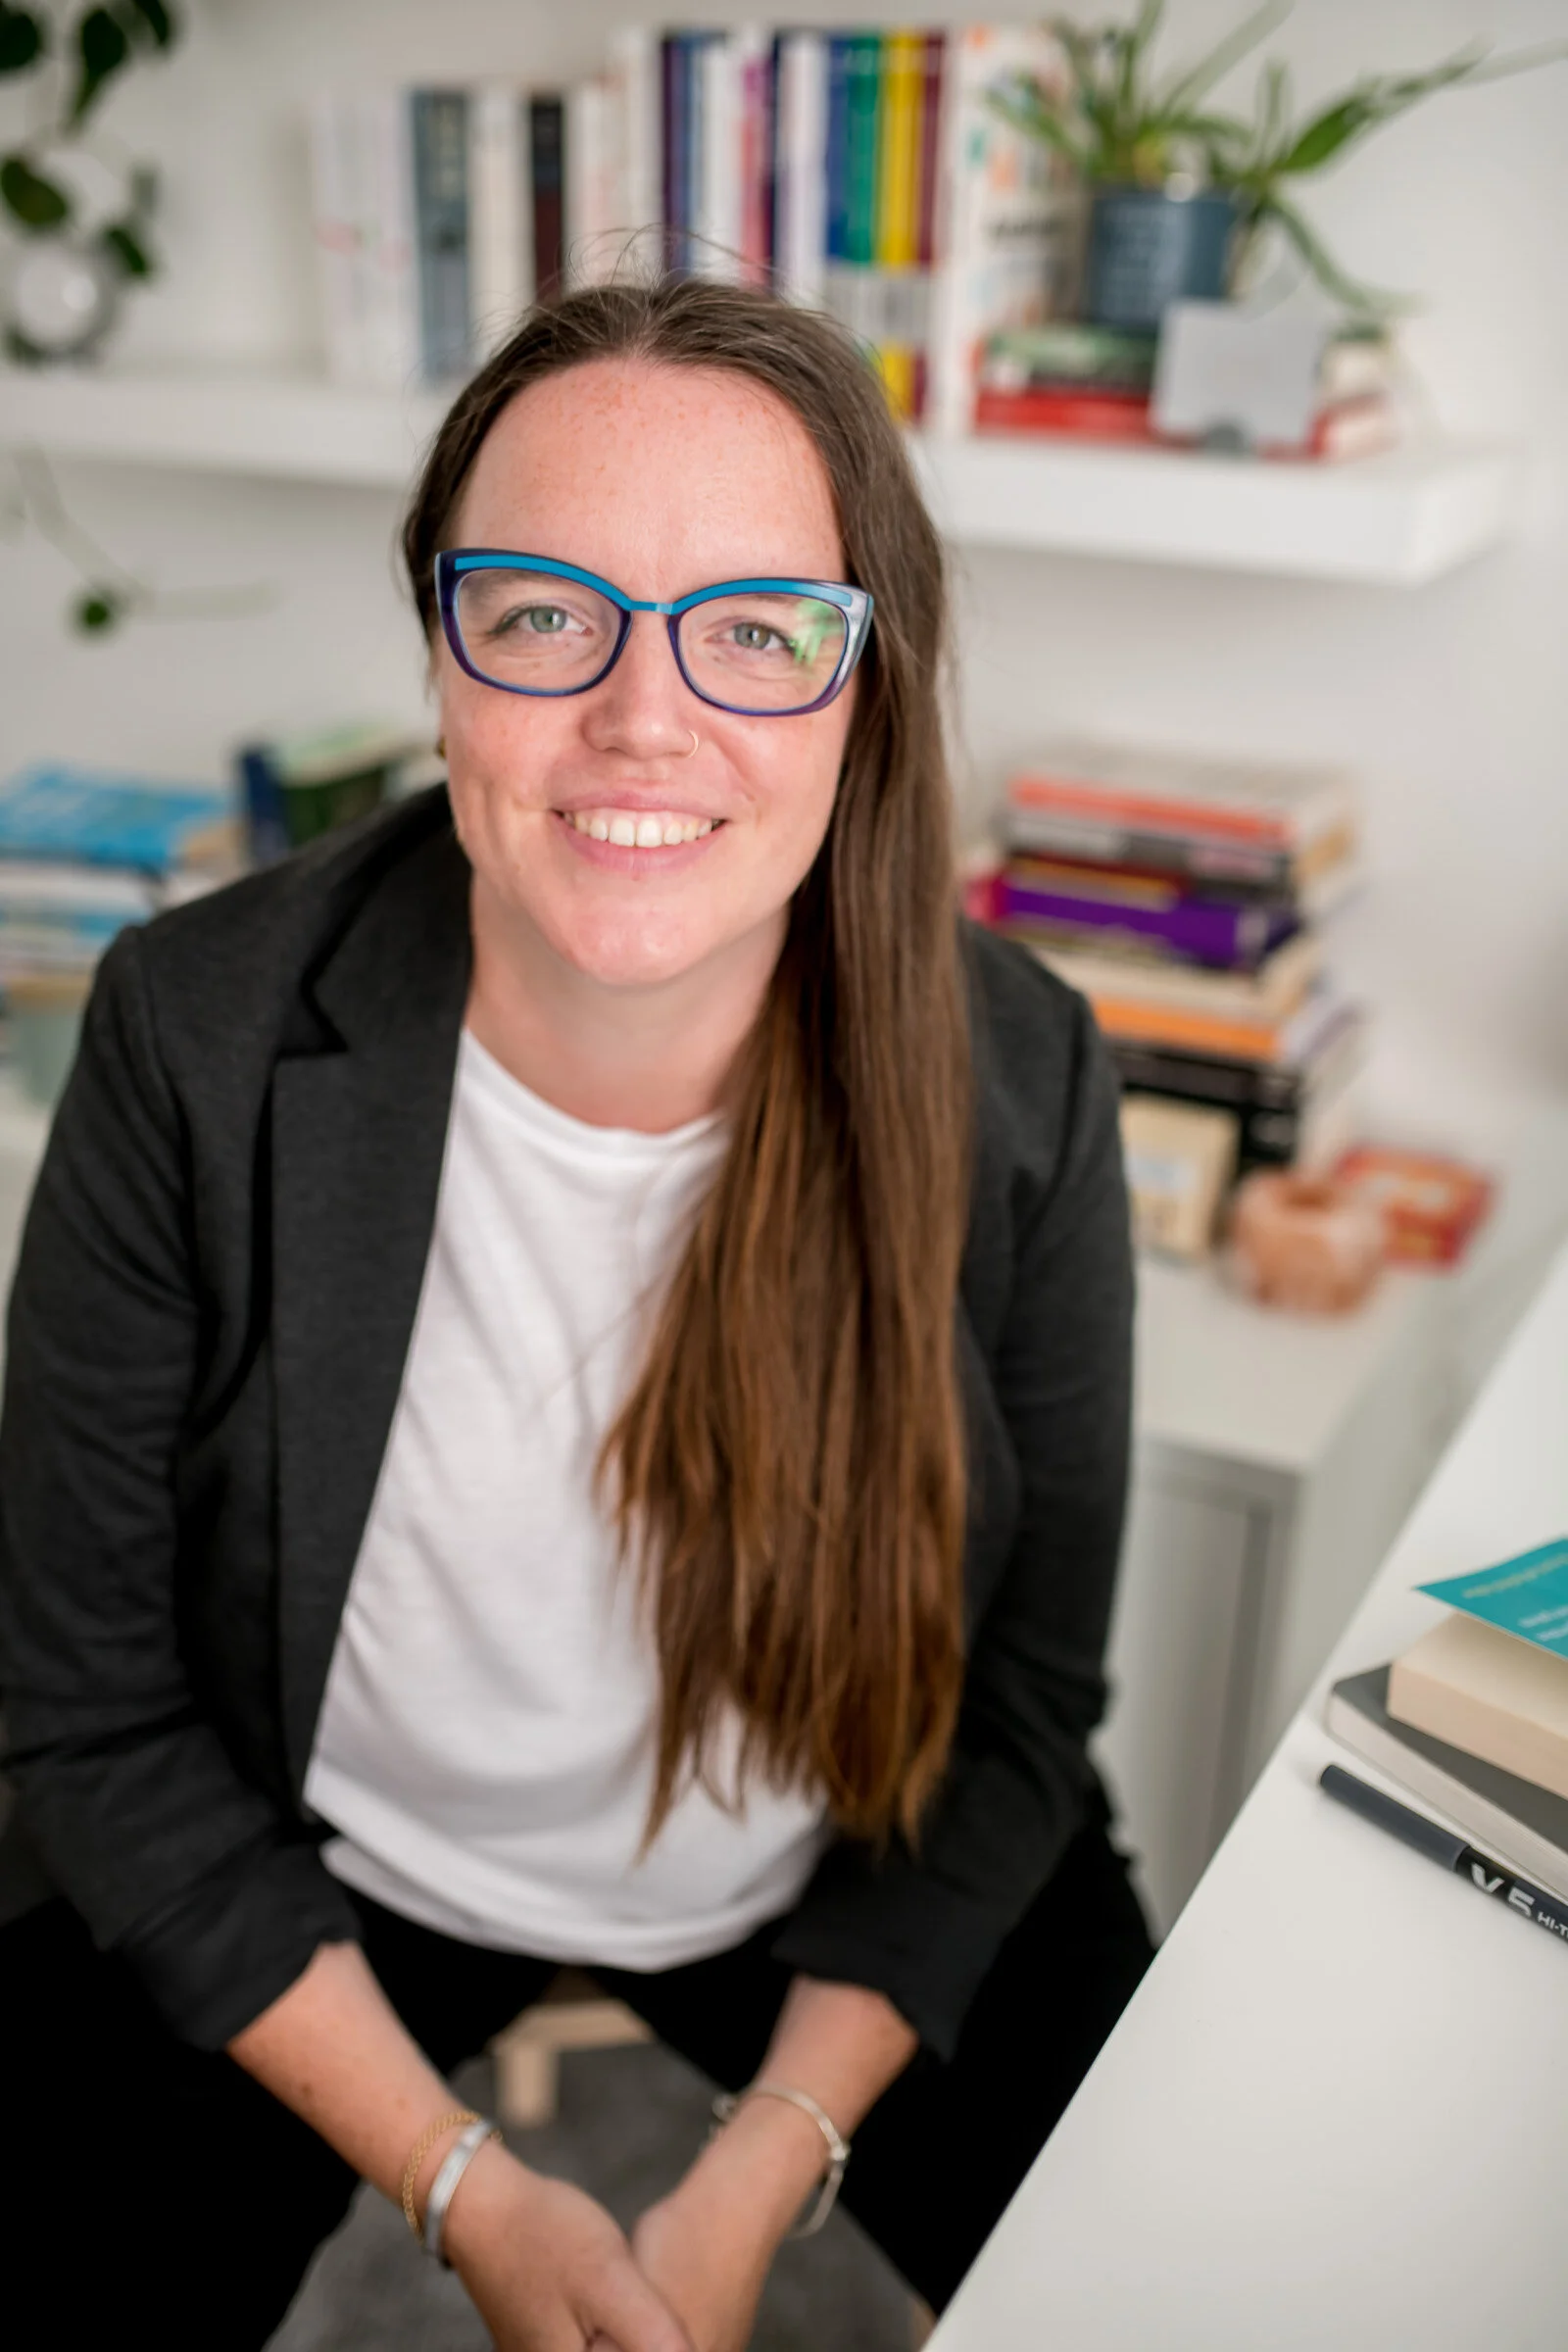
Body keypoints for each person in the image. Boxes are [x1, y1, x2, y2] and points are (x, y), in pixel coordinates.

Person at [0, 275, 1152, 2352]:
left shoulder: (1021, 1080)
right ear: (444, 658)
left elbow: (1020, 1713)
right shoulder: (195, 1031)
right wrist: (466, 2190)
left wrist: (753, 2164)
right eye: (540, 614)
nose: (640, 718)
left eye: (750, 630)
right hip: (320, 1842)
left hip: (835, 1850)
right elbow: (82, 1709)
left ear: (858, 689)